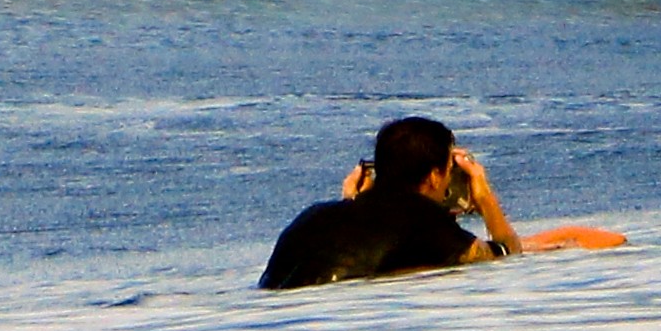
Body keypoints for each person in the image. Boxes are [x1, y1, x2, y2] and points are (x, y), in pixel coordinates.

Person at [257, 116, 620, 290]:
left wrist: (352, 199)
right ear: (433, 177)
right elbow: (506, 254)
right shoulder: (424, 219)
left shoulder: (314, 214)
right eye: (450, 169)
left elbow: (360, 237)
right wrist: (484, 198)